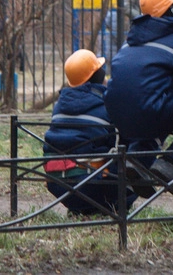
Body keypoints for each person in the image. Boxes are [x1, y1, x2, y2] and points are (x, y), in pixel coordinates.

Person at [104, 0, 173, 198]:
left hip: (116, 114)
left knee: (152, 104)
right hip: (151, 111)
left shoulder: (131, 39)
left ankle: (137, 160)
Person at [43, 49, 137, 215]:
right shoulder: (107, 104)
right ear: (99, 75)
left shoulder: (59, 105)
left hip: (57, 185)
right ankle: (111, 206)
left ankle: (81, 207)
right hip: (92, 184)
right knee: (136, 151)